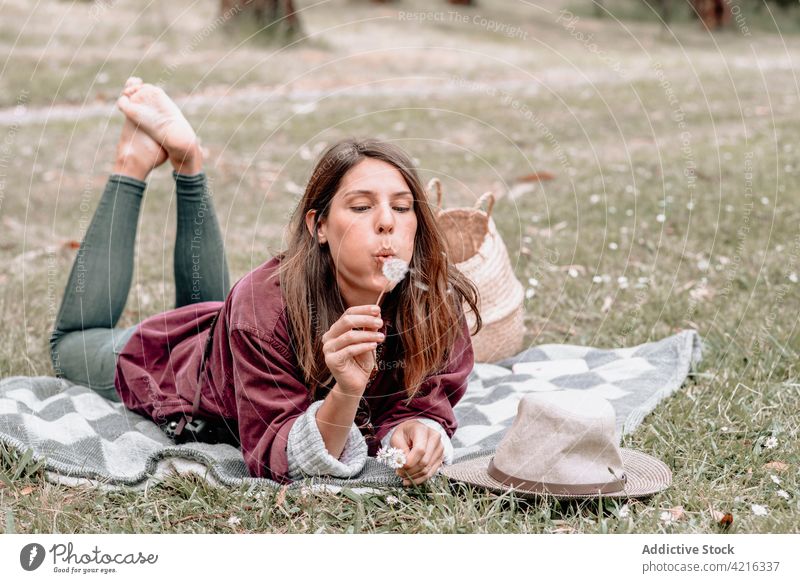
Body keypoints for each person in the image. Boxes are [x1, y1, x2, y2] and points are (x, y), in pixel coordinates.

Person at [49, 78, 481, 486]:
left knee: (228, 315)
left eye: (402, 208)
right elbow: (281, 458)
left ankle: (186, 160)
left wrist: (418, 430)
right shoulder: (265, 305)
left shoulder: (433, 302)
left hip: (228, 332)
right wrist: (347, 390)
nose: (387, 222)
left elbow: (423, 402)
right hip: (179, 369)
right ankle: (132, 162)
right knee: (72, 343)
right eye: (362, 206)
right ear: (320, 226)